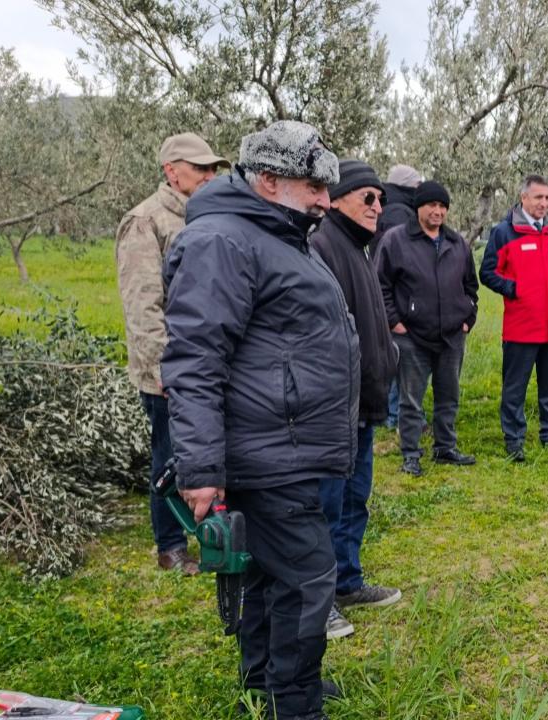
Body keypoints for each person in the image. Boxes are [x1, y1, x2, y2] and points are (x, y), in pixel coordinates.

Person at [162, 120, 352, 720]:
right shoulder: (225, 241)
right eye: (314, 187)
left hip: (285, 444)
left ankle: (266, 682)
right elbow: (194, 360)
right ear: (268, 180)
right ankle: (295, 705)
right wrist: (200, 468)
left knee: (272, 578)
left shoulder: (277, 233)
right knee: (307, 582)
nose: (325, 200)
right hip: (266, 449)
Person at [115, 131, 228, 576]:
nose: (210, 175)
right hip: (169, 370)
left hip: (205, 365)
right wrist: (165, 368)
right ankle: (171, 546)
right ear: (171, 171)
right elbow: (143, 306)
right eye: (200, 168)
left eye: (212, 167)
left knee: (204, 451)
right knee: (170, 456)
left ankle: (213, 534)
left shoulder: (208, 217)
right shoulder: (145, 222)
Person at [309, 159, 402, 641]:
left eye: (381, 199)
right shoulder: (322, 245)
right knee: (326, 506)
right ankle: (318, 600)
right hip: (335, 409)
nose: (378, 206)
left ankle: (346, 582)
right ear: (338, 197)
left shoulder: (359, 247)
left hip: (362, 404)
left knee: (354, 500)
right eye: (368, 196)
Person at [374, 180, 479, 477]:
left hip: (451, 336)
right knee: (410, 400)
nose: (438, 211)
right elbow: (380, 284)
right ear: (418, 207)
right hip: (412, 338)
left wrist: (467, 318)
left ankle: (445, 447)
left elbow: (471, 286)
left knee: (449, 396)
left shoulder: (457, 243)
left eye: (442, 206)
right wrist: (395, 321)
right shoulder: (396, 241)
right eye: (432, 205)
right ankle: (410, 452)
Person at [481, 174, 548, 461]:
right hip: (521, 329)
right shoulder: (504, 233)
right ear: (524, 198)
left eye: (547, 198)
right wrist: (514, 289)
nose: (543, 203)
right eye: (538, 197)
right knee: (514, 389)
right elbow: (488, 273)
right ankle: (514, 439)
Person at [377, 164, 423, 431]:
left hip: (391, 299)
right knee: (403, 362)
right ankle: (396, 416)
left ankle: (393, 413)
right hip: (399, 300)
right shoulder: (399, 214)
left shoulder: (388, 207)